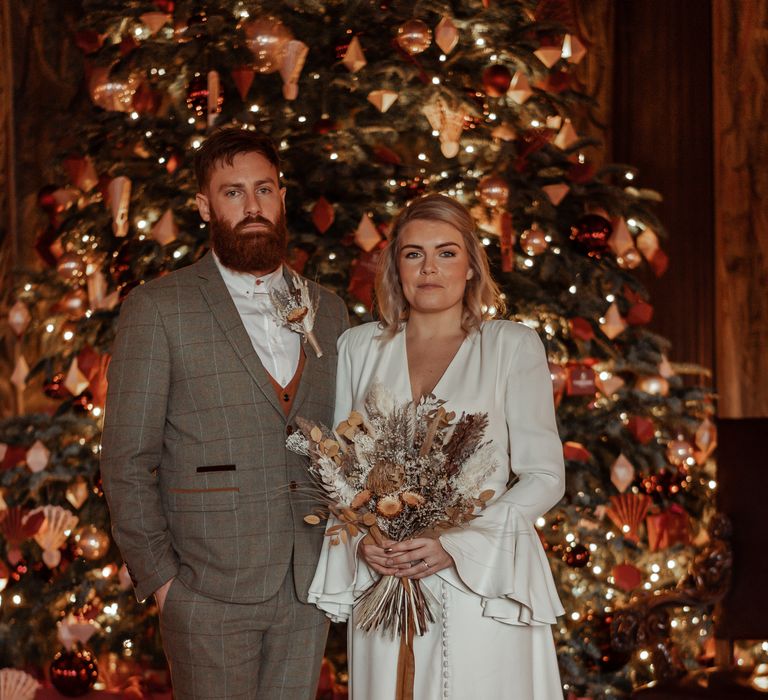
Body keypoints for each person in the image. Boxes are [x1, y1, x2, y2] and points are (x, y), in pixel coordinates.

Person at [101, 128, 349, 699]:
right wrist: (162, 581)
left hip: (306, 585)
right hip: (204, 587)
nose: (253, 206)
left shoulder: (328, 310)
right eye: (233, 192)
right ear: (204, 206)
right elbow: (125, 460)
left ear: (283, 197)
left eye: (264, 189)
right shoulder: (159, 308)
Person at [309, 194, 565, 698]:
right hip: (384, 577)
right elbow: (334, 468)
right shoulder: (358, 347)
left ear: (471, 265)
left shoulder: (510, 346)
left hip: (484, 581)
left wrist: (457, 545)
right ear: (395, 267)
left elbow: (544, 475)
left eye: (446, 252)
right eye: (413, 254)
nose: (430, 268)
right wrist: (362, 541)